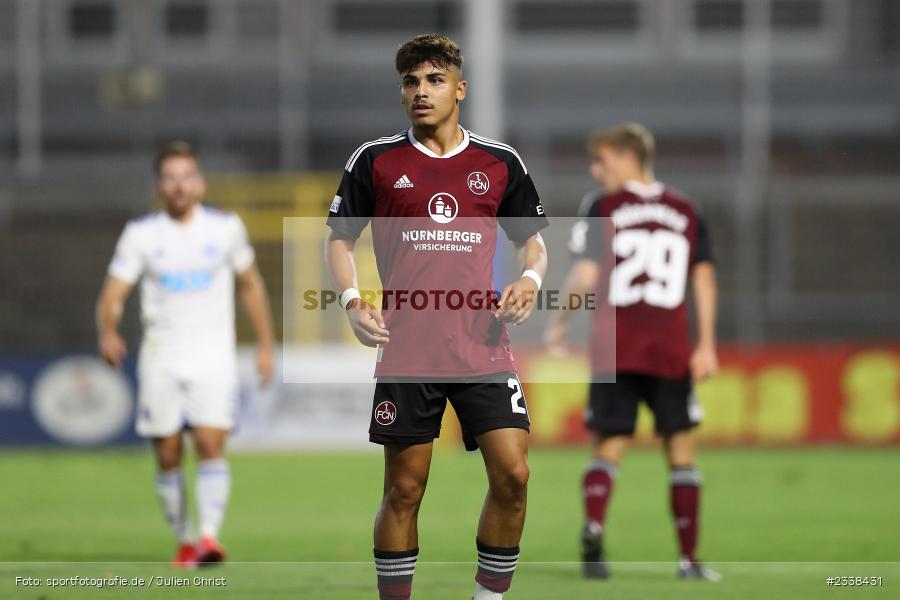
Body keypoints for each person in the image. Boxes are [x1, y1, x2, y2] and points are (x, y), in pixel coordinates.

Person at [325, 34, 548, 600]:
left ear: (459, 89)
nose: (420, 91)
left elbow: (534, 244)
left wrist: (530, 279)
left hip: (482, 346)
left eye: (433, 80)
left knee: (514, 476)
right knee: (404, 489)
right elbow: (339, 241)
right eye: (410, 82)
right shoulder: (375, 161)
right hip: (409, 349)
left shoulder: (499, 163)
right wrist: (352, 302)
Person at [543, 123, 720, 581]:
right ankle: (688, 561)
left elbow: (584, 275)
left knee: (610, 444)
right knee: (680, 449)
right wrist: (705, 345)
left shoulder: (602, 207)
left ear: (627, 156)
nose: (595, 169)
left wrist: (558, 323)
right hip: (670, 346)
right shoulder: (686, 209)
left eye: (601, 160)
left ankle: (595, 527)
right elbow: (702, 279)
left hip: (614, 346)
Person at [96, 141, 275, 568]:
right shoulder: (142, 234)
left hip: (213, 355)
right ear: (160, 187)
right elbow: (114, 293)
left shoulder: (224, 227)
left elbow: (250, 284)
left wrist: (266, 344)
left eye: (187, 176)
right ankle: (184, 539)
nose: (180, 186)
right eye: (171, 178)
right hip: (161, 356)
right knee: (169, 452)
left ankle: (210, 539)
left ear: (201, 183)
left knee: (211, 442)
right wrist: (108, 330)